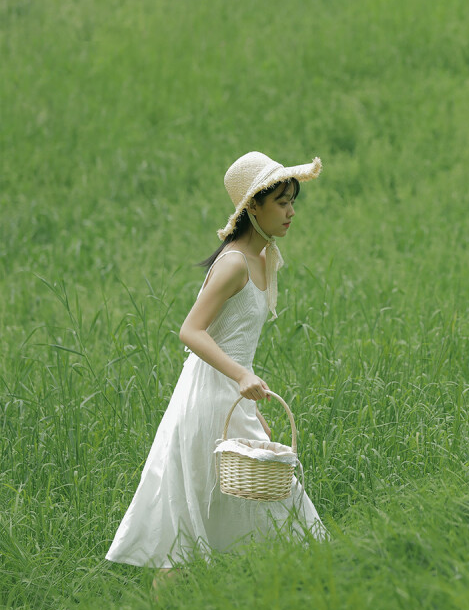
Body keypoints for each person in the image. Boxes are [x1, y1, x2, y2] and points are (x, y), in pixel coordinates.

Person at [105, 150, 326, 572]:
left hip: (228, 396)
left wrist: (250, 403)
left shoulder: (261, 259)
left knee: (242, 504)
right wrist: (243, 376)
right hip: (206, 397)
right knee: (194, 516)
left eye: (292, 201)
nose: (291, 212)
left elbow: (236, 340)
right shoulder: (234, 264)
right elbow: (191, 330)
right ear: (253, 206)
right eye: (281, 202)